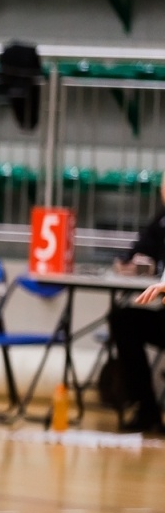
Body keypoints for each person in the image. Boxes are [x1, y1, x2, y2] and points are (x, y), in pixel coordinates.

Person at [110, 176, 165, 433]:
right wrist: (130, 264)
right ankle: (146, 409)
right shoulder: (161, 220)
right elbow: (140, 251)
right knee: (123, 320)